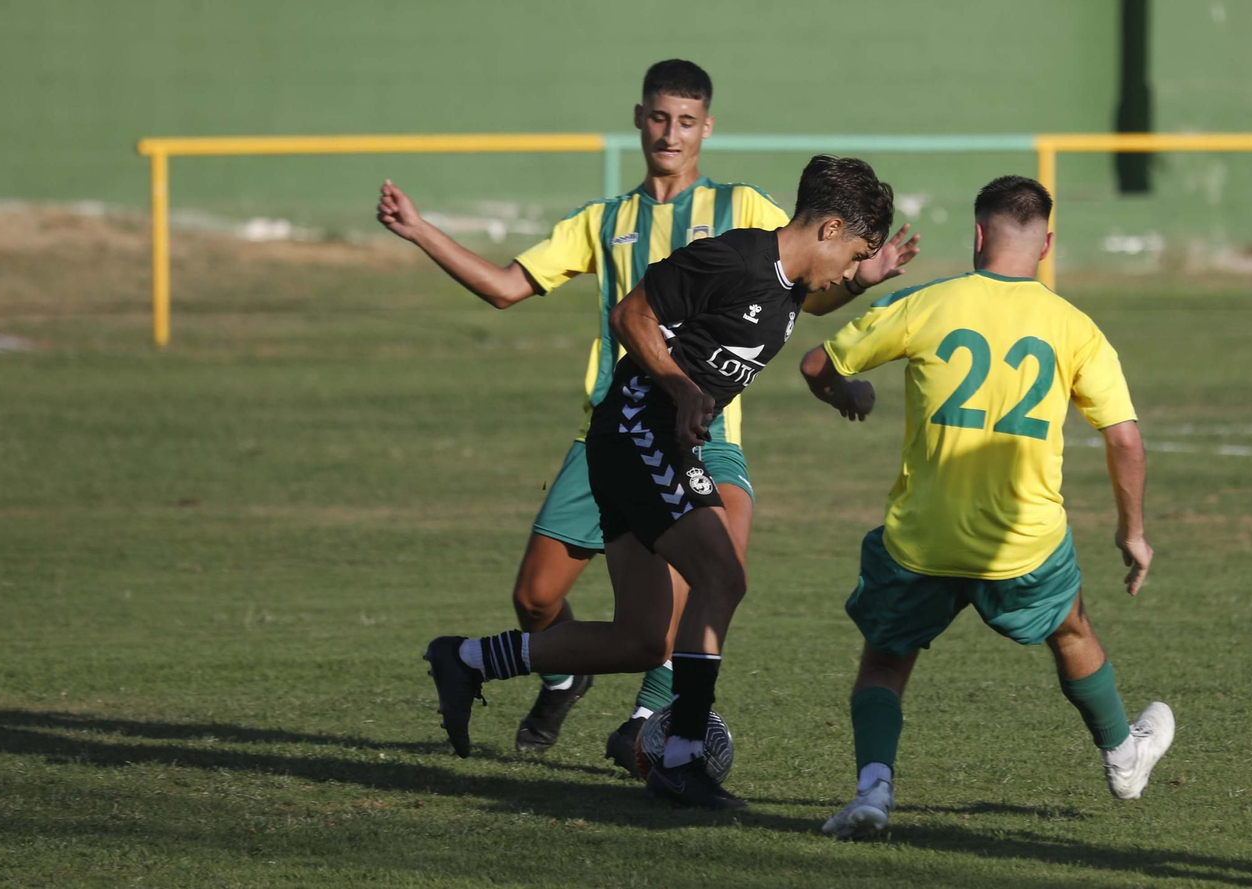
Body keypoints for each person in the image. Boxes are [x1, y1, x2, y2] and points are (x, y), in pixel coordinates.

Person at [377, 60, 918, 768]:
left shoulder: (783, 273)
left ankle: (470, 659)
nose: (852, 269)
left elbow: (796, 301)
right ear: (829, 227)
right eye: (854, 254)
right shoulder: (728, 250)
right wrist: (682, 389)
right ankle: (679, 746)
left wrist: (841, 379)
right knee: (711, 576)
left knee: (644, 636)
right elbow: (629, 311)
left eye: (687, 119)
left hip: (671, 435)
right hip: (638, 425)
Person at [800, 176, 1174, 841]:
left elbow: (816, 362)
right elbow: (1124, 438)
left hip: (924, 536)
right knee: (1073, 631)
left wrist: (848, 395)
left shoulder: (929, 303)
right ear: (1048, 244)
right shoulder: (1075, 327)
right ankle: (1123, 758)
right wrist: (1133, 533)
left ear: (977, 235)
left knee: (885, 661)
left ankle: (872, 793)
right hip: (1021, 542)